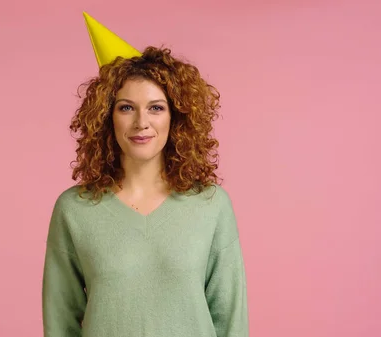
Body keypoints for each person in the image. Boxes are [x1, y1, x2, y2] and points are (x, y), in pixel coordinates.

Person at [42, 12, 249, 337]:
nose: (142, 122)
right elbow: (60, 321)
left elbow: (231, 320)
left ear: (176, 117)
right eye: (126, 107)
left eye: (156, 107)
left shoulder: (212, 206)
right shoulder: (74, 210)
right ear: (107, 118)